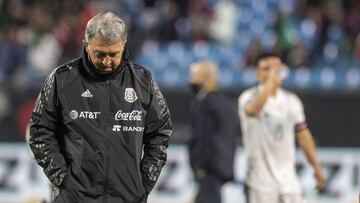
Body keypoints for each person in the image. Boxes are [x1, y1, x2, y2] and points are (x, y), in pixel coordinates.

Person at [28, 12, 172, 203]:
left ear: (124, 45)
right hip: (75, 198)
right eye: (100, 54)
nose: (107, 61)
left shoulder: (143, 82)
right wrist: (63, 178)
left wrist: (143, 183)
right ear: (86, 45)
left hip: (129, 198)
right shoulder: (61, 80)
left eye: (114, 54)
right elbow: (39, 131)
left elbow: (161, 132)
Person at [238, 53, 326, 203]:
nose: (273, 72)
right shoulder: (248, 97)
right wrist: (270, 84)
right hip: (260, 182)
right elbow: (252, 110)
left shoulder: (292, 101)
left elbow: (303, 135)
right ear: (258, 74)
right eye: (267, 68)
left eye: (277, 67)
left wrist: (316, 167)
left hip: (289, 181)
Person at [188, 60, 238, 203]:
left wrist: (200, 165)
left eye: (194, 76)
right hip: (221, 165)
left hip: (209, 167)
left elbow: (203, 136)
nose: (190, 81)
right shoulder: (225, 101)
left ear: (207, 77)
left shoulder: (205, 102)